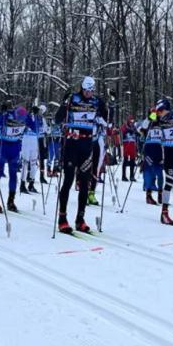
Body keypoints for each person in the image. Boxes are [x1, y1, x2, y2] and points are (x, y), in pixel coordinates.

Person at [53, 76, 108, 234]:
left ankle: (80, 219)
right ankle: (62, 218)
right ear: (82, 89)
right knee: (68, 180)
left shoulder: (96, 101)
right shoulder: (73, 98)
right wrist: (64, 105)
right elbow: (58, 119)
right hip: (72, 144)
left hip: (87, 145)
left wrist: (106, 108)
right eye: (86, 90)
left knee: (85, 183)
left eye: (92, 90)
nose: (89, 93)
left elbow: (105, 118)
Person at [0, 104, 28, 213]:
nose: (18, 122)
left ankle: (11, 200)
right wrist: (1, 115)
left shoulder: (25, 118)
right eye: (16, 119)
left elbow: (36, 130)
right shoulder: (6, 115)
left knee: (13, 175)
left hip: (14, 149)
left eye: (21, 121)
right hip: (2, 148)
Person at [140, 106, 164, 205]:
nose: (155, 113)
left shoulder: (161, 122)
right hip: (149, 148)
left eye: (156, 112)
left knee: (160, 173)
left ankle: (160, 193)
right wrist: (149, 118)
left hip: (158, 148)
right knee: (149, 172)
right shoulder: (147, 121)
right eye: (153, 112)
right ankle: (148, 195)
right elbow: (141, 129)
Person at [20, 106, 42, 194]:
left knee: (34, 163)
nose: (35, 113)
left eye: (36, 111)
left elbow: (40, 128)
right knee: (25, 163)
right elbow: (26, 125)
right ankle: (22, 184)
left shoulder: (39, 117)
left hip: (35, 140)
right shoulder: (27, 117)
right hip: (27, 139)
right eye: (34, 111)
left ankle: (31, 184)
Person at [120, 116, 138, 182]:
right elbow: (122, 130)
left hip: (133, 144)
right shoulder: (125, 126)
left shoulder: (134, 127)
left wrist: (137, 133)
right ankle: (123, 176)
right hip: (126, 144)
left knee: (132, 161)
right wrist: (127, 131)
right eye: (130, 121)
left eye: (132, 121)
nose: (131, 123)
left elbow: (137, 132)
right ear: (128, 121)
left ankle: (132, 176)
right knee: (125, 160)